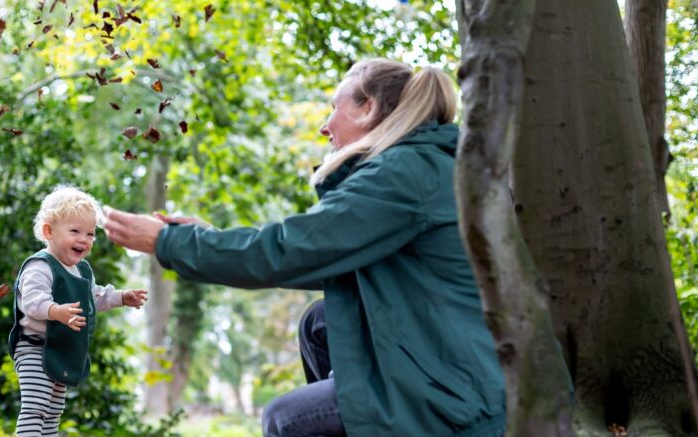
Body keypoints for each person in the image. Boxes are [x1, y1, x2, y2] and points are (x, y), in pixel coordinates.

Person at [103, 58, 506, 436]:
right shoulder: (425, 166)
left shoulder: (402, 172)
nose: (325, 126)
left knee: (286, 418)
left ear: (368, 109)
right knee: (319, 322)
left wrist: (167, 242)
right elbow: (316, 253)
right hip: (449, 362)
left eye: (335, 107)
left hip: (452, 397)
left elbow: (288, 251)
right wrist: (208, 235)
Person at [7, 185, 148, 437]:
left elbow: (94, 297)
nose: (84, 239)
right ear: (49, 231)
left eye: (91, 234)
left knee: (53, 411)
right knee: (36, 406)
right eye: (75, 231)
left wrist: (121, 297)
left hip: (61, 349)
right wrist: (55, 311)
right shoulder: (40, 266)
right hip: (34, 346)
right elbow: (32, 302)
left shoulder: (82, 270)